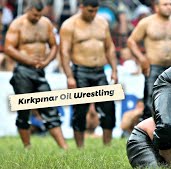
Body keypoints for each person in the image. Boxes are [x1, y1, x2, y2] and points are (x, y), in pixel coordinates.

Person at [4, 0, 67, 149]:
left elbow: (54, 46)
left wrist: (46, 62)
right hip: (23, 71)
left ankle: (64, 147)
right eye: (34, 15)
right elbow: (9, 48)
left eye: (39, 15)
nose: (37, 18)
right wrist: (28, 60)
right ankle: (27, 147)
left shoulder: (46, 23)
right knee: (24, 110)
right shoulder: (17, 24)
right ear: (28, 10)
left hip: (40, 70)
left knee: (49, 108)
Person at [60, 0, 118, 148]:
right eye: (90, 11)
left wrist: (114, 70)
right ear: (82, 8)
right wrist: (69, 76)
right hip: (80, 71)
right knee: (80, 110)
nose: (93, 14)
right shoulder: (69, 25)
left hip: (100, 71)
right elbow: (64, 52)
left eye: (95, 11)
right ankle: (80, 147)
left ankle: (107, 146)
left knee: (108, 108)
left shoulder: (102, 23)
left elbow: (109, 47)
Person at [127, 0, 171, 121]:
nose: (169, 7)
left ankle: (170, 132)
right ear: (156, 7)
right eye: (165, 4)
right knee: (150, 100)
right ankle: (147, 134)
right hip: (153, 66)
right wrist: (142, 58)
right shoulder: (147, 22)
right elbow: (131, 41)